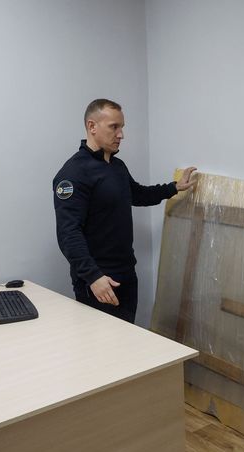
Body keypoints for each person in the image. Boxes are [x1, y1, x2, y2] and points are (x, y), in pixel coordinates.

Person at [53, 98, 197, 323]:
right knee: (104, 352)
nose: (121, 134)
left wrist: (173, 188)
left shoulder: (116, 165)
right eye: (114, 127)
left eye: (122, 127)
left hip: (127, 274)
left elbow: (136, 194)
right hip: (99, 282)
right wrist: (93, 277)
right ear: (92, 126)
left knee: (128, 345)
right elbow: (68, 233)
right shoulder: (73, 174)